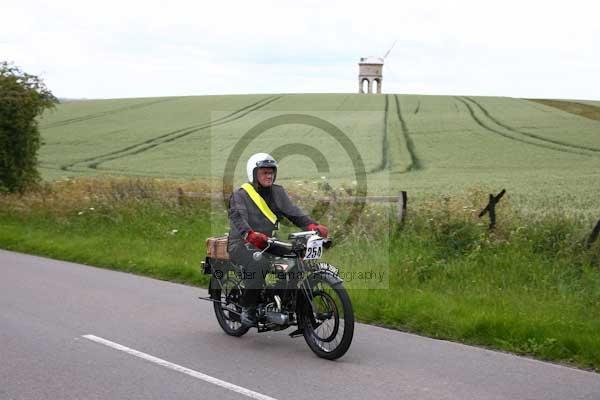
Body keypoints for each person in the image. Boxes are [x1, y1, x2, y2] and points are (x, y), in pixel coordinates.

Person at [228, 153, 329, 327]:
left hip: (269, 242)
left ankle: (282, 300)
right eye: (264, 172)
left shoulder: (278, 192)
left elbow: (293, 212)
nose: (269, 176)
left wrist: (313, 226)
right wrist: (250, 234)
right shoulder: (241, 195)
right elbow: (238, 217)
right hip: (243, 243)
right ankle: (248, 308)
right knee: (259, 264)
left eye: (271, 172)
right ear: (253, 174)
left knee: (297, 259)